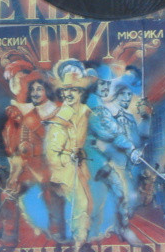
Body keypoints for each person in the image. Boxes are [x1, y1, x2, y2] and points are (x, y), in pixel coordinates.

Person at [85, 67, 149, 246]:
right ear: (93, 84)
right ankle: (91, 237)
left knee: (116, 192)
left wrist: (130, 148)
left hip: (95, 156)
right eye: (102, 84)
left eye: (107, 84)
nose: (106, 87)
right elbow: (108, 132)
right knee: (105, 194)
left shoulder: (98, 104)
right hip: (87, 158)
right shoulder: (93, 104)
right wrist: (130, 148)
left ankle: (121, 228)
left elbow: (111, 132)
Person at [0, 74, 64, 245]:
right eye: (32, 89)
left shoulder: (61, 111)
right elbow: (23, 147)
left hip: (54, 165)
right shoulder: (28, 117)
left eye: (39, 89)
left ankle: (58, 232)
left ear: (47, 91)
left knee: (52, 191)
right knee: (8, 194)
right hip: (31, 166)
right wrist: (16, 171)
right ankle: (9, 238)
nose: (35, 92)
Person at [46, 60, 96, 251]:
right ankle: (78, 243)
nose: (68, 94)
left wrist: (81, 153)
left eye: (73, 90)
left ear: (81, 92)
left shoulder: (84, 112)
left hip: (80, 167)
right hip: (65, 169)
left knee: (88, 203)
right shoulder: (60, 119)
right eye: (65, 90)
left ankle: (81, 240)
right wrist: (69, 158)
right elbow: (52, 154)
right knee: (81, 202)